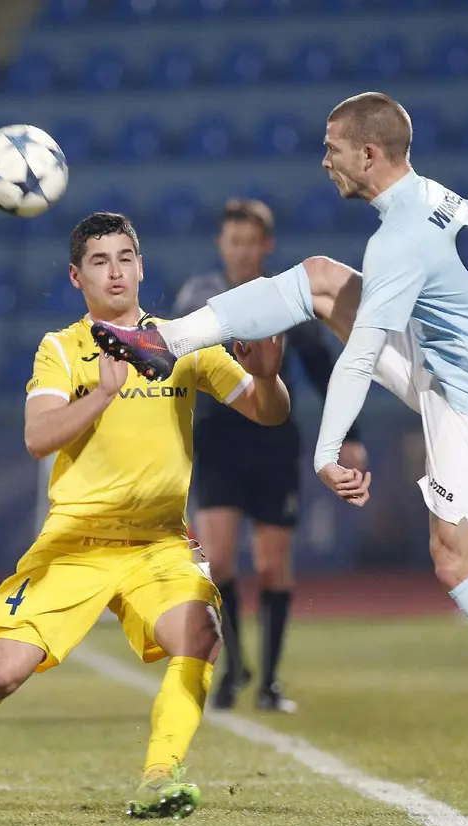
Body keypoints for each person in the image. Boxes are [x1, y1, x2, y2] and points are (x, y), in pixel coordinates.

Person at [90, 93, 468, 801]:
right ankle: (166, 340)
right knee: (318, 277)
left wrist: (326, 453)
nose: (324, 160)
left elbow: (360, 360)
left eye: (332, 147)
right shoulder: (433, 196)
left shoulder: (401, 238)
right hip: (451, 356)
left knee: (457, 562)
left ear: (368, 155)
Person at [0, 212, 289, 822]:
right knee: (1, 674)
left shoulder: (181, 342)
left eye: (125, 257)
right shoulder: (62, 349)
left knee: (200, 635)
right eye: (99, 261)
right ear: (76, 276)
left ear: (141, 267)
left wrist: (268, 376)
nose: (115, 271)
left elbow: (269, 413)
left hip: (159, 546)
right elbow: (37, 437)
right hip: (76, 546)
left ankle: (159, 778)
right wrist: (103, 393)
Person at [174, 198, 366, 712]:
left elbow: (322, 365)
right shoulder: (198, 297)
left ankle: (270, 682)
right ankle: (234, 667)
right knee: (216, 561)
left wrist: (350, 433)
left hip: (273, 439)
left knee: (270, 566)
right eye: (233, 241)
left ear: (266, 246)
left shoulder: (286, 296)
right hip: (216, 438)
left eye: (250, 242)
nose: (241, 251)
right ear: (221, 245)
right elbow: (176, 363)